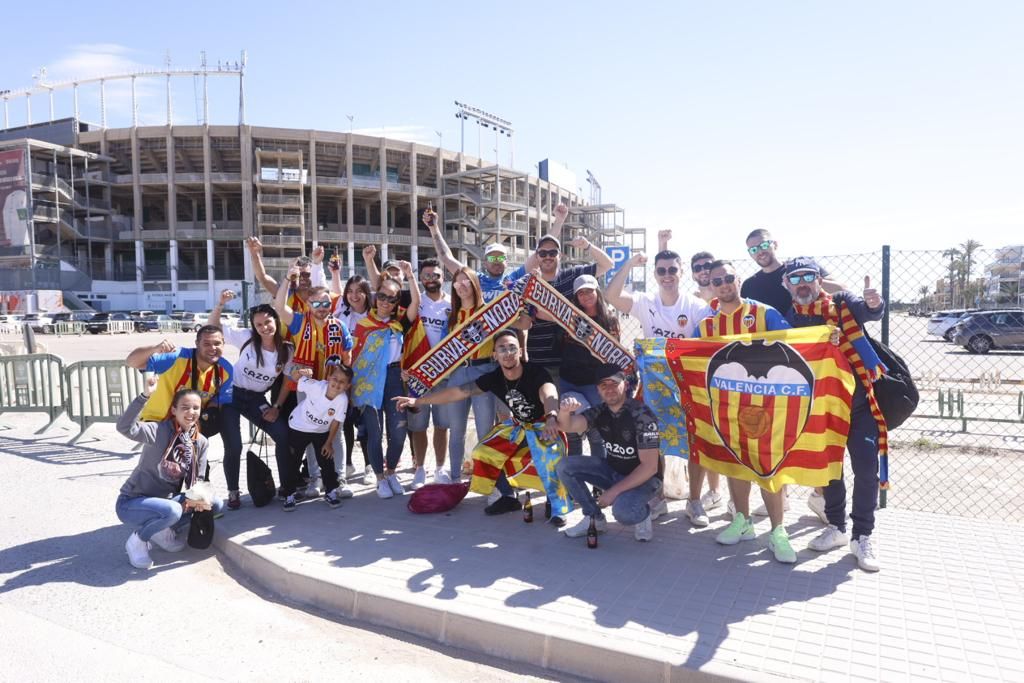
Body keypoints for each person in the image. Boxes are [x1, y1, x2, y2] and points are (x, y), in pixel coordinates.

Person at [394, 329, 570, 525]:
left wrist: (552, 416)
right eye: (502, 348)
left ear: (520, 351)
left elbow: (549, 392)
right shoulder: (494, 377)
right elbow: (458, 392)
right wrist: (418, 401)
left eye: (512, 348)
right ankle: (508, 497)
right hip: (519, 427)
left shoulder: (535, 372)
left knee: (550, 454)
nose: (508, 352)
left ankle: (555, 504)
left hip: (544, 425)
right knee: (483, 451)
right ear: (495, 355)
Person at [784, 257, 886, 572]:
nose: (803, 283)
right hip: (821, 405)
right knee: (828, 469)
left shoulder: (841, 303)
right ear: (787, 284)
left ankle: (862, 535)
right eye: (795, 278)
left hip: (858, 402)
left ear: (819, 279)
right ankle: (838, 527)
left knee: (867, 469)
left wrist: (874, 303)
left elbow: (868, 310)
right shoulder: (791, 318)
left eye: (808, 276)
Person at [605, 249, 722, 526]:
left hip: (687, 385)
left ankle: (695, 501)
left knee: (695, 441)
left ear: (681, 272)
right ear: (655, 274)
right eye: (661, 271)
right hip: (654, 384)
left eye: (672, 270)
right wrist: (630, 263)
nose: (667, 276)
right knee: (652, 443)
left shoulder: (694, 306)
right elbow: (610, 295)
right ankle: (657, 498)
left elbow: (717, 327)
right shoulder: (645, 302)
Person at [693, 260, 797, 564]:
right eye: (717, 280)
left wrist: (826, 339)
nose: (724, 284)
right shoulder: (707, 325)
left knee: (768, 470)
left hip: (767, 407)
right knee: (735, 466)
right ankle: (743, 521)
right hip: (727, 408)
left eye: (728, 278)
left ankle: (778, 532)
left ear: (738, 280)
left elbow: (796, 347)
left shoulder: (764, 313)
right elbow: (697, 362)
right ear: (709, 286)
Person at [115, 377, 224, 569]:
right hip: (133, 502)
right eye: (185, 407)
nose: (191, 412)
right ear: (174, 410)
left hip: (166, 501)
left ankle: (163, 528)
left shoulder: (200, 442)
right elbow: (125, 427)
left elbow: (196, 480)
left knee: (214, 503)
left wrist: (200, 498)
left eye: (196, 408)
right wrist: (144, 396)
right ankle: (139, 540)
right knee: (172, 510)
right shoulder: (157, 430)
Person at [556, 364, 661, 543]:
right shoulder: (600, 411)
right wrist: (564, 412)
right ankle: (594, 518)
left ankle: (643, 514)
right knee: (564, 466)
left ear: (625, 385)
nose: (609, 389)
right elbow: (568, 426)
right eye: (603, 385)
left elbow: (650, 468)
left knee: (623, 513)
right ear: (597, 390)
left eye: (614, 383)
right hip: (613, 471)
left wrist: (613, 492)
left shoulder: (642, 415)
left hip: (645, 480)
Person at [274, 269, 355, 497]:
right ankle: (315, 478)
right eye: (316, 303)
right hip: (308, 387)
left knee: (333, 431)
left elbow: (347, 358)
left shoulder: (340, 327)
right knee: (308, 430)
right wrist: (287, 279)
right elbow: (280, 308)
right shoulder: (299, 322)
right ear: (308, 304)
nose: (321, 308)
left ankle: (338, 478)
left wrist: (345, 387)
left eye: (326, 303)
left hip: (333, 388)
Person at [210, 293, 293, 510]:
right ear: (253, 327)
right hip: (231, 395)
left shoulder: (286, 349)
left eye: (267, 322)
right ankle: (233, 492)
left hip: (256, 398)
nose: (264, 327)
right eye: (259, 324)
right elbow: (214, 327)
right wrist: (220, 304)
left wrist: (276, 407)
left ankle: (286, 488)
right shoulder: (246, 337)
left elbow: (288, 382)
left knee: (282, 434)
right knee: (234, 445)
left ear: (276, 320)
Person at [352, 264, 419, 499]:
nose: (385, 302)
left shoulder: (399, 324)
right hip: (368, 381)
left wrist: (410, 276)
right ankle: (380, 478)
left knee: (399, 430)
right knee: (374, 431)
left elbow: (416, 305)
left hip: (393, 378)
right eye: (381, 296)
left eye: (391, 299)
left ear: (395, 303)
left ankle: (391, 471)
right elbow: (355, 358)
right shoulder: (362, 325)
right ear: (375, 297)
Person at [513, 233, 613, 385]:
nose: (548, 256)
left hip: (567, 362)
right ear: (537, 256)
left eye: (552, 252)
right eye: (543, 253)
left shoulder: (571, 275)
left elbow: (607, 265)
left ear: (560, 255)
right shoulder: (527, 283)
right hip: (536, 359)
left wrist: (587, 246)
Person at [425, 204, 567, 303]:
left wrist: (559, 221)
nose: (496, 261)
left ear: (507, 261)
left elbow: (542, 250)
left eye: (500, 257)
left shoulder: (516, 278)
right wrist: (433, 228)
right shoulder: (475, 279)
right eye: (492, 257)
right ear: (485, 262)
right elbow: (446, 257)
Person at [554, 274, 619, 457]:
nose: (585, 296)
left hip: (594, 383)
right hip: (569, 380)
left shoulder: (609, 319)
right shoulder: (571, 318)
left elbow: (613, 355)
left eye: (589, 291)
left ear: (597, 291)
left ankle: (600, 482)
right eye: (581, 293)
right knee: (572, 434)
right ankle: (576, 479)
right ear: (576, 297)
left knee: (597, 433)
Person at [407, 258, 452, 489]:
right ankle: (419, 469)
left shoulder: (452, 304)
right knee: (418, 425)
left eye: (435, 275)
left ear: (443, 276)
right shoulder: (416, 301)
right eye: (426, 276)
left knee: (442, 424)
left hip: (444, 373)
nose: (431, 280)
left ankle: (440, 468)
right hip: (418, 374)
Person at [126, 327, 233, 425]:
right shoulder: (176, 357)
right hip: (158, 422)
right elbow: (131, 362)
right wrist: (155, 349)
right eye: (206, 344)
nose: (212, 348)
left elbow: (217, 403)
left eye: (217, 343)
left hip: (190, 427)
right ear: (197, 343)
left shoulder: (227, 371)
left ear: (224, 344)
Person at [281, 365, 352, 511]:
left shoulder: (342, 400)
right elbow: (294, 378)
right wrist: (301, 372)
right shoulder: (316, 386)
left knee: (326, 461)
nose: (337, 384)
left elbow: (336, 422)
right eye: (335, 379)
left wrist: (329, 443)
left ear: (347, 386)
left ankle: (331, 492)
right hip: (298, 427)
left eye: (342, 382)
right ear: (328, 378)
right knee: (292, 461)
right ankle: (289, 495)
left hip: (321, 431)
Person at [740, 229, 843, 315]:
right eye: (753, 250)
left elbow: (841, 289)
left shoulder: (801, 267)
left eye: (764, 245)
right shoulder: (749, 285)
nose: (760, 252)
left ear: (775, 245)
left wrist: (803, 281)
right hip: (772, 338)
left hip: (809, 331)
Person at [332, 274, 373, 482]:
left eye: (359, 291)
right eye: (350, 291)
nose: (354, 295)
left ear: (367, 293)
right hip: (345, 377)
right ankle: (347, 463)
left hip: (368, 377)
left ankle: (370, 465)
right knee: (345, 420)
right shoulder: (340, 317)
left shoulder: (375, 316)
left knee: (366, 424)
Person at [657, 228, 716, 303]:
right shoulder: (690, 303)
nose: (703, 271)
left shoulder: (728, 298)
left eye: (708, 266)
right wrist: (663, 243)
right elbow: (664, 269)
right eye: (697, 268)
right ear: (693, 276)